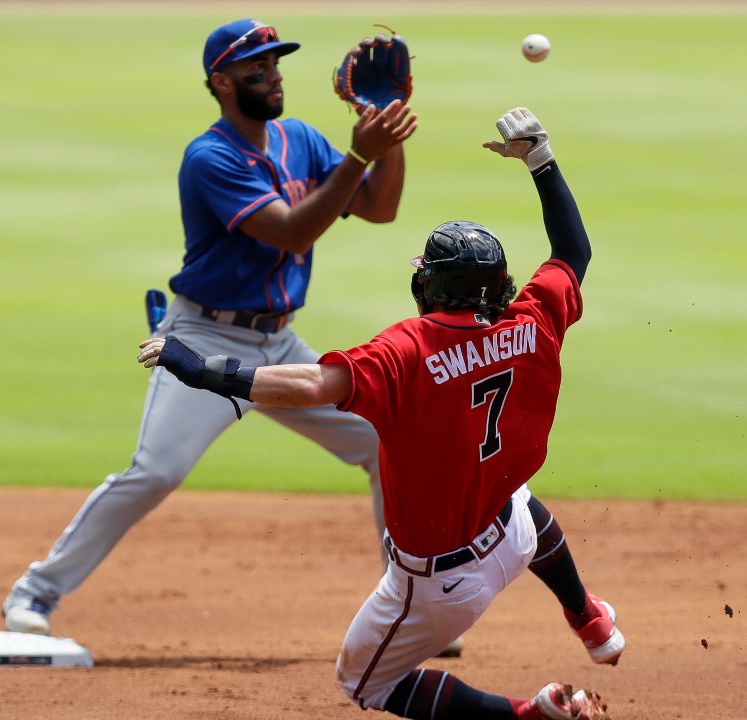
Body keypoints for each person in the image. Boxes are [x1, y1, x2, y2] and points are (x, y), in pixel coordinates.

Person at [139, 107, 623, 720]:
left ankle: (529, 714)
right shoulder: (534, 319)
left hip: (442, 584)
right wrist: (540, 158)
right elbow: (572, 251)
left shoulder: (408, 351)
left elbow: (310, 384)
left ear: (434, 287)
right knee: (520, 498)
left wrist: (205, 369)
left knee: (365, 684)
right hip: (511, 531)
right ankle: (590, 619)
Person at [1, 18, 417, 638]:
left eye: (276, 66)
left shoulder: (299, 139)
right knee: (156, 472)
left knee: (383, 443)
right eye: (257, 70)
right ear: (222, 82)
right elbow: (290, 230)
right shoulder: (211, 156)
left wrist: (384, 130)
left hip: (279, 343)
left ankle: (404, 604)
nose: (273, 77)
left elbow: (380, 208)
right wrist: (358, 151)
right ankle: (35, 592)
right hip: (205, 339)